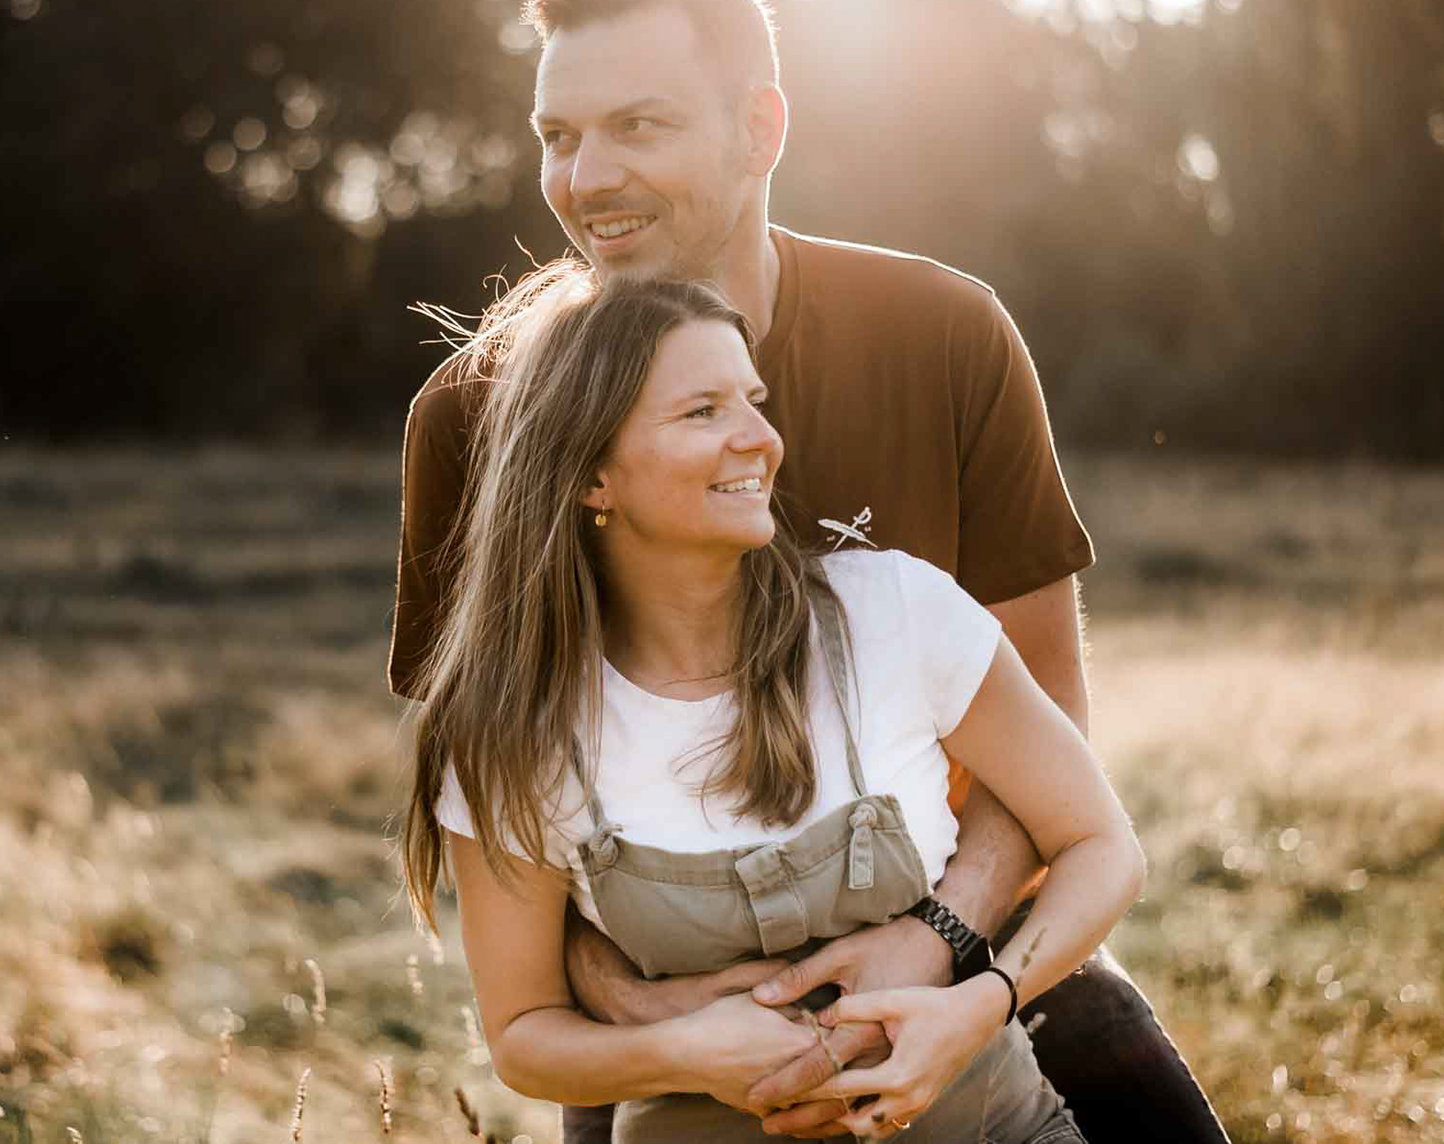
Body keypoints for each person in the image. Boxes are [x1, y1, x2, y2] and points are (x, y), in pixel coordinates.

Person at [389, 0, 1231, 1143]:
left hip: (973, 954)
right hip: (673, 1033)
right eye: (558, 135)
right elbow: (495, 798)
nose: (585, 177)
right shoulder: (473, 417)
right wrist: (655, 1007)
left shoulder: (944, 336)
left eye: (638, 125)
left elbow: (1049, 711)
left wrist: (938, 940)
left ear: (760, 128)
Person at [401, 272, 1146, 1143]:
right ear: (593, 476)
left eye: (753, 403)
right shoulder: (517, 734)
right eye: (703, 412)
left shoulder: (894, 613)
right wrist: (683, 1053)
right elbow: (523, 1037)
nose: (761, 439)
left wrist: (979, 1005)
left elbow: (1103, 845)